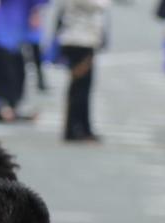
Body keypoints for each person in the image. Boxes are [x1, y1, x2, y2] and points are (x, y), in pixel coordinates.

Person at [56, 0, 108, 142]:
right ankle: (74, 129)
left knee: (83, 88)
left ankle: (83, 127)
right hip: (78, 40)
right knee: (79, 89)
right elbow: (98, 4)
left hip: (85, 40)